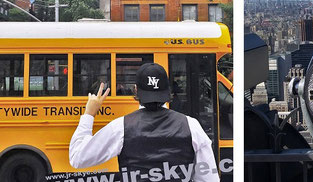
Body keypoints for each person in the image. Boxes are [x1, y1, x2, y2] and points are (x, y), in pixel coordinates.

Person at [69, 63, 220, 182]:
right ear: (168, 90)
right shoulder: (191, 125)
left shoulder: (121, 127)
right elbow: (209, 178)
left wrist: (89, 113)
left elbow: (77, 158)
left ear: (135, 90)